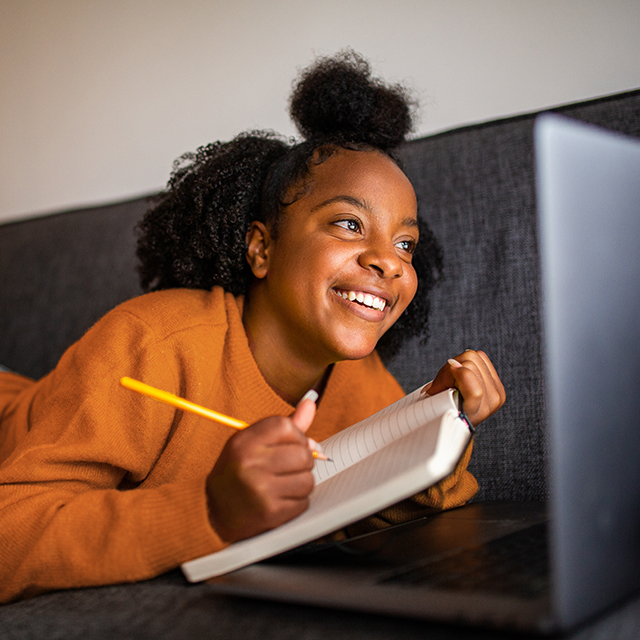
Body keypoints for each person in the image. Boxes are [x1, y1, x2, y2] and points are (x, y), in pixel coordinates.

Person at [0, 51, 505, 603]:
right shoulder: (151, 343)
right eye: (348, 223)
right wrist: (209, 510)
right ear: (262, 248)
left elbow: (370, 514)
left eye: (404, 242)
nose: (389, 261)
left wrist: (437, 427)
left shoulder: (362, 381)